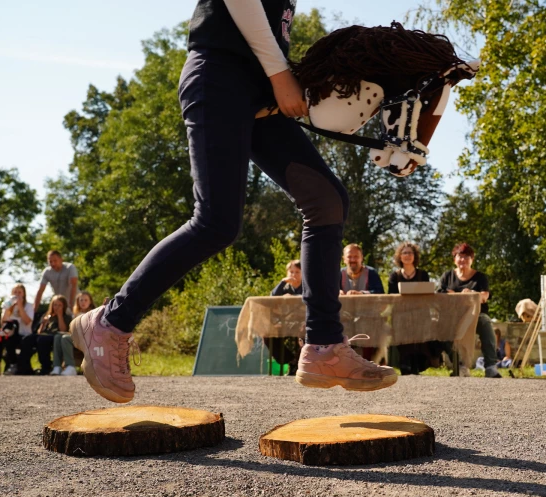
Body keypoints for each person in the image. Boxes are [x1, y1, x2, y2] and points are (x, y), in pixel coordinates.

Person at [69, 0, 397, 403]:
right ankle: (109, 323)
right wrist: (280, 75)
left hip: (260, 87)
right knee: (216, 222)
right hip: (218, 75)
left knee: (326, 199)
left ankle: (324, 345)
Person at [438, 242, 501, 378]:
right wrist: (455, 295)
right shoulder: (447, 276)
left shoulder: (480, 277)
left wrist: (471, 294)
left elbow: (484, 296)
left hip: (475, 316)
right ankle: (460, 366)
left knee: (485, 321)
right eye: (460, 256)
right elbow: (440, 295)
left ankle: (491, 367)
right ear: (454, 259)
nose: (463, 259)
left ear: (472, 259)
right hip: (453, 317)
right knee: (441, 325)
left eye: (467, 257)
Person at [387, 242, 435, 375]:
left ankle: (417, 364)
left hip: (420, 313)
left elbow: (427, 295)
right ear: (400, 256)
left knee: (421, 325)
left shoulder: (423, 275)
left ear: (415, 256)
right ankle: (405, 363)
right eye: (404, 253)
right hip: (401, 314)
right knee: (401, 324)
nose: (407, 255)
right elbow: (391, 297)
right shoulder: (394, 276)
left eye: (410, 253)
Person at [267, 260, 304, 375]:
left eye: (297, 272)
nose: (293, 275)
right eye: (291, 272)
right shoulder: (285, 286)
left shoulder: (307, 286)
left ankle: (300, 362)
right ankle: (291, 360)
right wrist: (282, 282)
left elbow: (310, 299)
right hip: (286, 323)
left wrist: (294, 297)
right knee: (268, 334)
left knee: (304, 331)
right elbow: (272, 297)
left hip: (304, 322)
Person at [51, 292, 96, 376]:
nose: (83, 302)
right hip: (77, 337)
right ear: (78, 302)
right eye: (81, 300)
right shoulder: (75, 313)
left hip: (87, 339)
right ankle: (57, 366)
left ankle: (70, 367)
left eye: (86, 300)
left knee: (65, 338)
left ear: (90, 302)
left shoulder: (93, 313)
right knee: (57, 337)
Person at [0, 284, 34, 375]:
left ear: (24, 294)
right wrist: (8, 309)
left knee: (10, 335)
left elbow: (27, 322)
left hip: (23, 335)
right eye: (15, 292)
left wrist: (20, 307)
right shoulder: (8, 305)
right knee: (0, 336)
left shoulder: (29, 306)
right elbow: (3, 323)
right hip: (9, 334)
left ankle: (13, 364)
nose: (17, 295)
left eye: (19, 292)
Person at [27, 295, 72, 375]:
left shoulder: (66, 317)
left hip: (57, 337)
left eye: (60, 305)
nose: (57, 307)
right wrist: (43, 323)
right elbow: (39, 332)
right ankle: (24, 367)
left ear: (64, 306)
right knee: (28, 339)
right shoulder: (47, 316)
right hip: (44, 335)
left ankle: (46, 367)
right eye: (55, 305)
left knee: (42, 340)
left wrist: (60, 316)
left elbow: (63, 330)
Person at [34, 250, 78, 315]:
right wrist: (34, 310)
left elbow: (73, 286)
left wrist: (71, 305)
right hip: (59, 304)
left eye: (55, 261)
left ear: (61, 259)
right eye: (50, 261)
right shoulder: (47, 272)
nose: (53, 264)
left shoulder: (70, 268)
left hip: (75, 303)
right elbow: (40, 291)